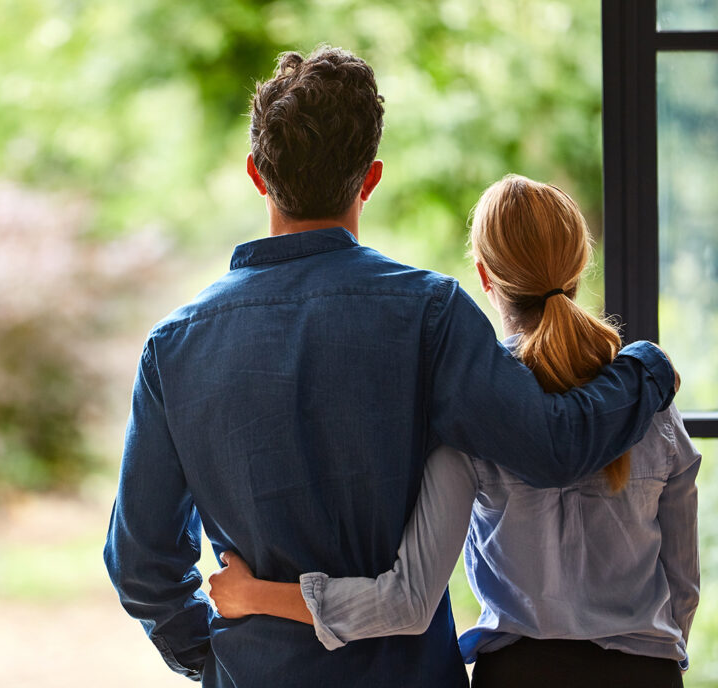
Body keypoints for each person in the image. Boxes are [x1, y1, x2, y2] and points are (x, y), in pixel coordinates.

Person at [104, 46, 677, 688]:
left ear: (256, 174)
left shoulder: (174, 346)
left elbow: (141, 564)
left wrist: (213, 661)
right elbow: (554, 446)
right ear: (370, 178)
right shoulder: (430, 313)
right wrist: (647, 367)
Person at [207, 175, 699, 688]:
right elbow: (683, 586)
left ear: (485, 277)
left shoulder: (473, 407)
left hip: (520, 676)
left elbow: (407, 600)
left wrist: (255, 595)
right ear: (579, 267)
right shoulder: (650, 398)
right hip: (648, 674)